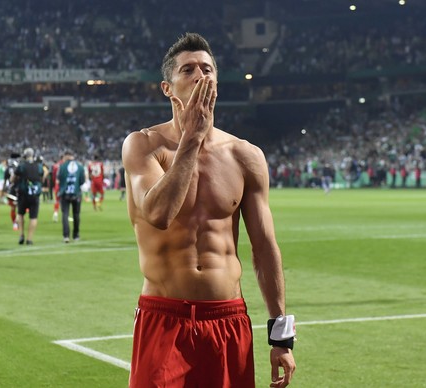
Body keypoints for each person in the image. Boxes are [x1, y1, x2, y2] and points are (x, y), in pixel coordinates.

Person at [121, 33, 296, 388]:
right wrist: (192, 139)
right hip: (164, 318)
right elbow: (158, 214)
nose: (201, 76)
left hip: (227, 318)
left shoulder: (246, 155)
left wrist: (281, 335)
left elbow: (264, 248)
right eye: (188, 70)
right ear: (168, 88)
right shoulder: (143, 145)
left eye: (207, 69)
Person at [12, 148, 45, 245]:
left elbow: (13, 178)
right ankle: (30, 239)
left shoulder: (21, 166)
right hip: (34, 194)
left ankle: (21, 234)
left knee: (20, 214)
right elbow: (42, 176)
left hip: (23, 193)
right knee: (33, 217)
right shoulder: (39, 166)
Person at [57, 150, 85, 243]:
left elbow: (59, 179)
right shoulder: (80, 166)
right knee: (76, 214)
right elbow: (82, 181)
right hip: (76, 193)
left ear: (65, 156)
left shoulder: (62, 166)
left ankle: (66, 236)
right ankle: (76, 235)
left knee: (65, 214)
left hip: (64, 193)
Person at [3, 153, 20, 230]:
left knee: (13, 208)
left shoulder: (8, 168)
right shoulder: (19, 166)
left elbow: (5, 180)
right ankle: (17, 222)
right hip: (19, 189)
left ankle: (15, 224)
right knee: (20, 207)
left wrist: (4, 190)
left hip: (11, 190)